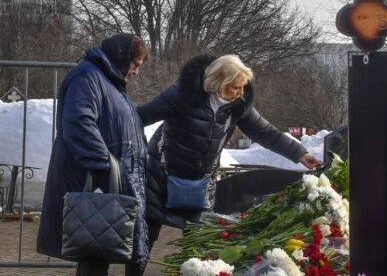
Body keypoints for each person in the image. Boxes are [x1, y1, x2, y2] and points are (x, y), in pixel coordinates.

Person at [137, 54, 322, 252]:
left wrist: (300, 154)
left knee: (196, 244)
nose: (241, 92)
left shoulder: (238, 106)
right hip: (160, 177)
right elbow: (140, 117)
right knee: (144, 241)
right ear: (219, 82)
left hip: (200, 183)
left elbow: (266, 132)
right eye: (236, 87)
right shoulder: (182, 94)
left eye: (243, 86)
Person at [37, 34, 151, 275]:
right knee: (95, 250)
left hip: (110, 180)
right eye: (135, 64)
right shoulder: (88, 76)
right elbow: (79, 123)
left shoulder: (110, 82)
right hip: (97, 180)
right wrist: (106, 166)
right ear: (123, 57)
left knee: (99, 250)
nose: (136, 71)